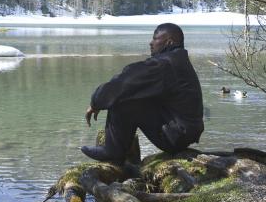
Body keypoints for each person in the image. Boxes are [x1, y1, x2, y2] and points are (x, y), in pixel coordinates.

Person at [81, 23, 204, 164]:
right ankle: (121, 151)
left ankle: (112, 152)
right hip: (183, 132)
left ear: (169, 42)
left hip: (175, 136)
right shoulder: (177, 61)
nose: (150, 43)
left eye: (155, 38)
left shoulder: (165, 64)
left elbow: (126, 80)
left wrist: (96, 101)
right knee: (135, 92)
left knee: (124, 97)